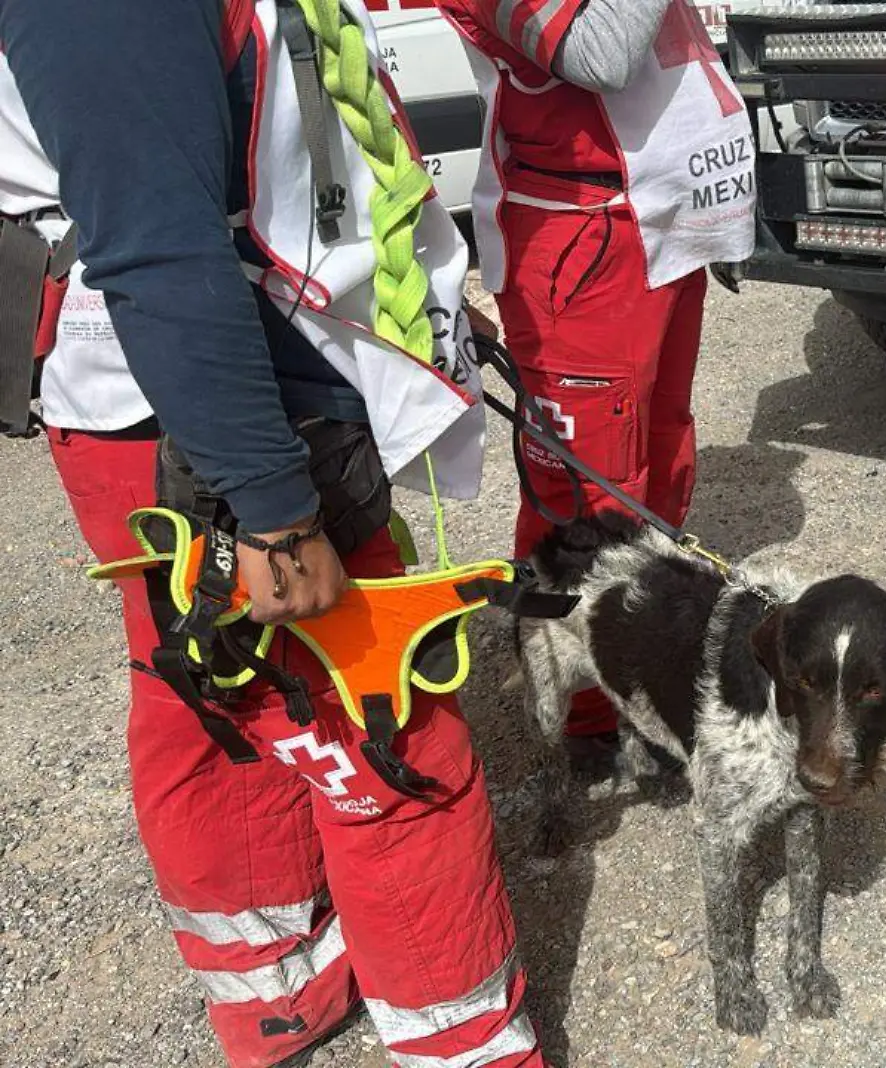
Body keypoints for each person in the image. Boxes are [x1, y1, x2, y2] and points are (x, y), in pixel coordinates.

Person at [0, 1, 542, 1064]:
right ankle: (464, 1042)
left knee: (211, 700)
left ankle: (276, 989)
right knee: (387, 739)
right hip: (213, 410)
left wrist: (424, 302)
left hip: (179, 393)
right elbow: (158, 243)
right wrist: (273, 504)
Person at [437, 0, 755, 746]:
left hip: (652, 220)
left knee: (661, 455)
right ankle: (580, 709)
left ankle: (639, 656)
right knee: (587, 498)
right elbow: (603, 54)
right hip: (577, 234)